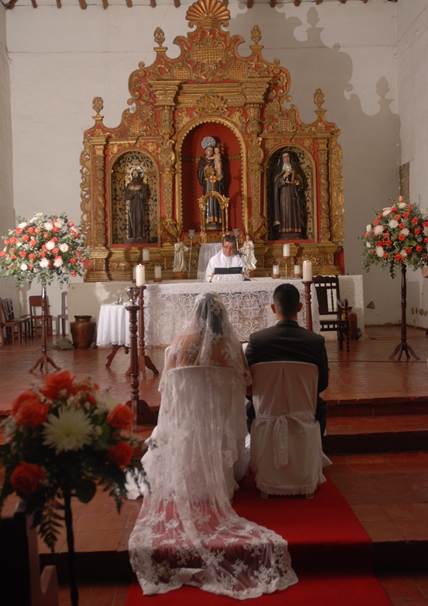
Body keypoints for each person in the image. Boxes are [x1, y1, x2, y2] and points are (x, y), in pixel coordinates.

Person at [128, 293, 298, 599]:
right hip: (218, 434)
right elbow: (245, 387)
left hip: (185, 431)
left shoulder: (177, 346)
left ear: (194, 314)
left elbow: (167, 390)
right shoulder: (232, 347)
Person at [245, 283, 328, 437]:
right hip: (304, 411)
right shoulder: (315, 342)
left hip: (266, 412)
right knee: (320, 405)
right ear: (300, 307)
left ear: (273, 308)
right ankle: (314, 450)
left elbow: (247, 383)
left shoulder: (257, 341)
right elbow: (322, 383)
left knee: (249, 407)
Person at [273, 150, 306, 239]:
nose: (286, 159)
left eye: (287, 157)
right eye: (284, 157)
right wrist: (283, 176)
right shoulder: (279, 171)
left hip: (294, 194)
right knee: (285, 211)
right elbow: (276, 183)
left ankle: (296, 229)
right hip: (284, 195)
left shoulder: (295, 170)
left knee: (294, 210)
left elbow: (301, 183)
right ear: (282, 159)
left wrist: (297, 182)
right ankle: (284, 230)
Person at [197, 136, 225, 230]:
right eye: (208, 150)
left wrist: (219, 173)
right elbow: (199, 172)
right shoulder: (202, 160)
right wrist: (204, 170)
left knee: (216, 200)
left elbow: (220, 171)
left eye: (211, 150)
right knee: (208, 200)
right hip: (207, 184)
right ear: (205, 151)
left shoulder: (216, 159)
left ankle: (217, 220)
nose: (210, 152)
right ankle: (208, 220)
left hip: (215, 183)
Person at [124, 167, 148, 240]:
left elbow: (144, 195)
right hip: (132, 204)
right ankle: (132, 235)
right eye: (133, 173)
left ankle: (140, 235)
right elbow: (126, 196)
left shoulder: (142, 185)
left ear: (139, 174)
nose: (135, 175)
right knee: (132, 218)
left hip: (139, 204)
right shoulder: (129, 185)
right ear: (131, 174)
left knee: (139, 218)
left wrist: (137, 192)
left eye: (136, 173)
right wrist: (134, 193)